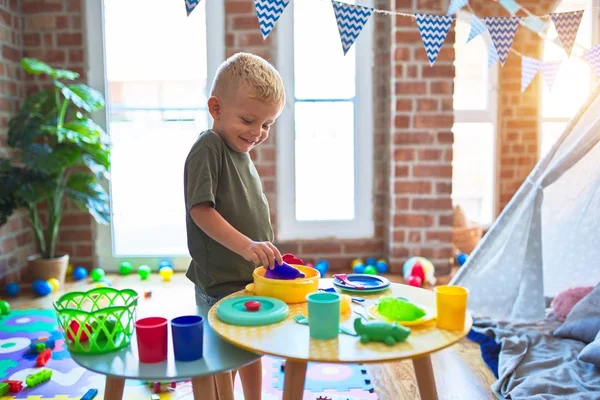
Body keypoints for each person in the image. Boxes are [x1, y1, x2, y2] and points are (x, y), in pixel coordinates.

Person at [183, 52, 285, 400]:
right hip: (219, 280)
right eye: (248, 120)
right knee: (220, 358)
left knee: (250, 350)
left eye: (267, 125)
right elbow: (201, 210)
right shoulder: (208, 147)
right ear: (216, 108)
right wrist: (246, 246)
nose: (257, 133)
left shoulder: (241, 152)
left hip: (246, 277)